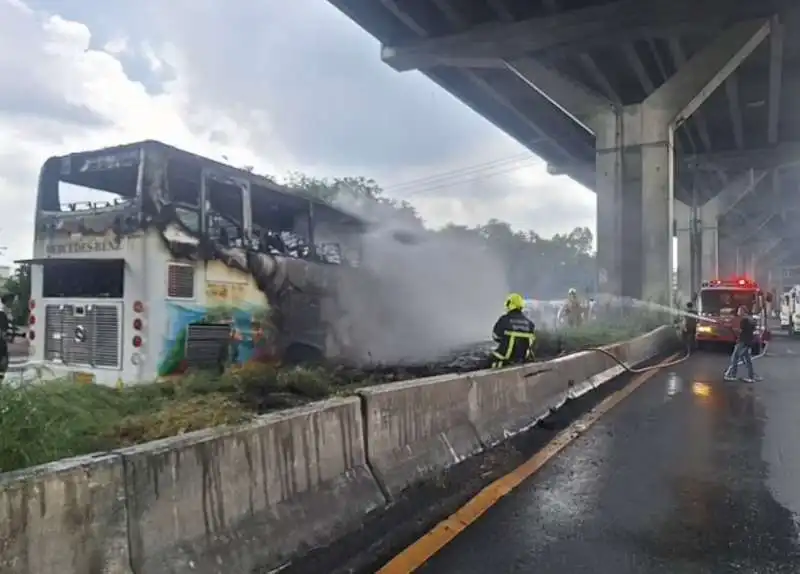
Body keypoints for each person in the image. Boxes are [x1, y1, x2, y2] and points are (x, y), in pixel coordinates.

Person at [491, 293, 536, 369]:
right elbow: (531, 341)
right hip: (522, 359)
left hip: (503, 357)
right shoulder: (530, 323)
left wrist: (505, 340)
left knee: (484, 363)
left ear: (509, 304)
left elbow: (495, 336)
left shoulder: (504, 319)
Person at [723, 305, 760, 383]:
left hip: (742, 341)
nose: (738, 312)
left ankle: (732, 375)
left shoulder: (744, 320)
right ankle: (751, 377)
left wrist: (730, 328)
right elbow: (750, 330)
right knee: (747, 360)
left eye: (739, 310)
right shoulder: (750, 319)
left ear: (743, 311)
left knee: (735, 358)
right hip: (748, 341)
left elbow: (740, 331)